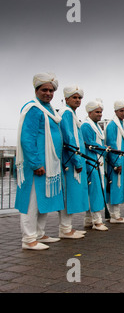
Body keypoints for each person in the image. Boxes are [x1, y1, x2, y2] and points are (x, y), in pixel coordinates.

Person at [15, 72, 65, 250]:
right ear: (36, 90)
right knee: (32, 202)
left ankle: (39, 233)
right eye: (44, 90)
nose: (48, 93)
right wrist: (36, 164)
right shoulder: (33, 109)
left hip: (50, 164)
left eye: (51, 90)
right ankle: (29, 239)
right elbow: (27, 138)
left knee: (44, 200)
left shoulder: (49, 109)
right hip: (37, 165)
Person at [58, 85, 89, 239]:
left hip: (74, 159)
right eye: (74, 97)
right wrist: (77, 161)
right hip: (70, 160)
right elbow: (69, 138)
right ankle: (65, 229)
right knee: (68, 194)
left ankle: (67, 227)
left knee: (72, 193)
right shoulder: (67, 113)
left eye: (79, 98)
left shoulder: (71, 113)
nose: (77, 100)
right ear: (66, 99)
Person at [81, 99, 108, 230]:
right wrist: (104, 148)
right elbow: (89, 143)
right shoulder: (86, 126)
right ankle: (97, 221)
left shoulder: (96, 126)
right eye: (97, 112)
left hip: (97, 160)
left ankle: (88, 219)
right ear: (90, 112)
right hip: (91, 161)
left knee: (95, 190)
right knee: (95, 190)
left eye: (101, 112)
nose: (100, 114)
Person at [105, 101, 124, 224]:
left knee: (119, 187)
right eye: (121, 110)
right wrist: (116, 163)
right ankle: (114, 216)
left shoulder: (121, 125)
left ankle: (116, 214)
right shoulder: (112, 125)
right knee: (115, 187)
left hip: (121, 160)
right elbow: (112, 145)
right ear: (115, 111)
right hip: (115, 162)